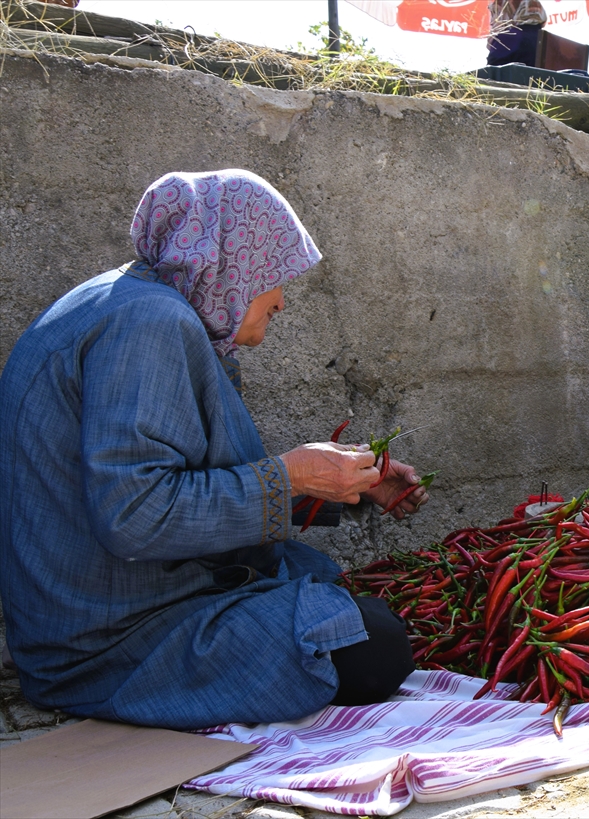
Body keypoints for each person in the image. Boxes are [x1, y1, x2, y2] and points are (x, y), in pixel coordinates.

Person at [0, 170, 429, 731]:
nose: (279, 302)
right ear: (231, 264)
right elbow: (135, 516)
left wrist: (338, 488)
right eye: (274, 278)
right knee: (375, 647)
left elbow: (175, 480)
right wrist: (291, 479)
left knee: (336, 602)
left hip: (95, 611)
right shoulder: (149, 322)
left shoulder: (131, 301)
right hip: (107, 642)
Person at [486, 0, 547, 67]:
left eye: (497, 13)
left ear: (512, 12)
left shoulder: (506, 39)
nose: (491, 22)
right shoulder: (551, 41)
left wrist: (496, 47)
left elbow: (489, 74)